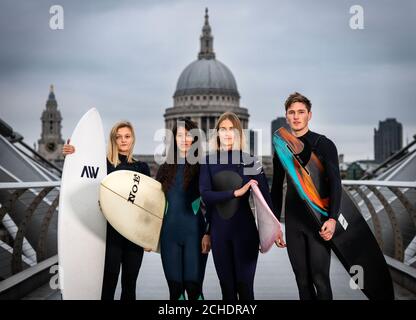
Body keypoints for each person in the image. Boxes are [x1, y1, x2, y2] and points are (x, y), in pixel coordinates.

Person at [199, 112, 285, 300]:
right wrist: (235, 193)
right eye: (223, 129)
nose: (228, 133)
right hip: (219, 234)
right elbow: (206, 196)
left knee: (245, 289)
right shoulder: (208, 161)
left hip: (245, 233)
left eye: (232, 129)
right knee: (227, 291)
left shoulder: (250, 160)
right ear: (217, 133)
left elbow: (265, 198)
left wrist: (276, 228)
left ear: (239, 133)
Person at [63, 121, 150, 300]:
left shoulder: (142, 167)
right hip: (110, 234)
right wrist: (72, 153)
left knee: (129, 286)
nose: (123, 140)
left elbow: (147, 204)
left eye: (127, 136)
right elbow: (82, 173)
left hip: (133, 236)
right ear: (113, 140)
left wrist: (148, 235)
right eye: (118, 137)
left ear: (133, 139)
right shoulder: (104, 165)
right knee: (108, 285)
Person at [271, 92, 342, 300]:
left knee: (320, 279)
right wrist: (275, 225)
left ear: (309, 115)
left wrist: (332, 219)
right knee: (301, 280)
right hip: (293, 221)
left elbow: (336, 182)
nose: (296, 116)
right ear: (286, 116)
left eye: (301, 112)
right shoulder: (282, 149)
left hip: (318, 219)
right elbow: (276, 187)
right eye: (291, 112)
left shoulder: (323, 144)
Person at [156, 118, 209, 300]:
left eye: (189, 134)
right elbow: (154, 204)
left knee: (194, 289)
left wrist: (209, 233)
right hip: (169, 236)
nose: (185, 139)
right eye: (180, 135)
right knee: (175, 291)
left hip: (195, 235)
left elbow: (211, 205)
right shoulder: (164, 169)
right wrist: (146, 234)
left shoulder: (203, 167)